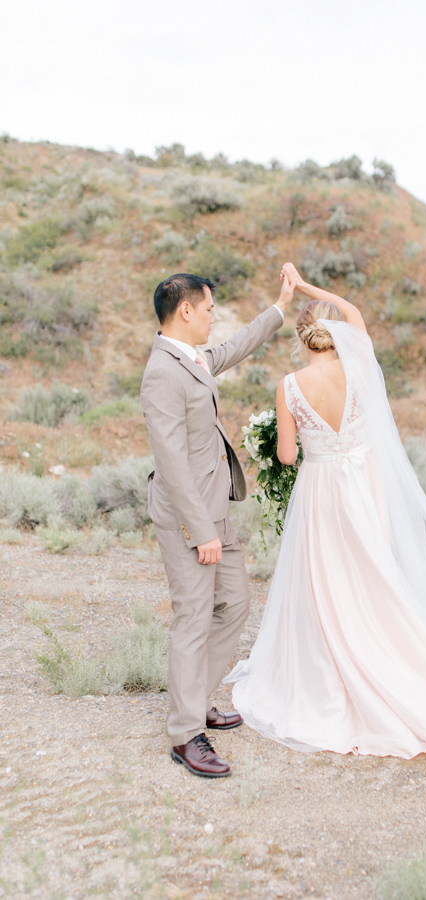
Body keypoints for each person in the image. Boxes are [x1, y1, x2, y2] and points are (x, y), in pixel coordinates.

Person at [225, 263, 426, 759]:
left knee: (325, 580)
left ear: (304, 339)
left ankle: (331, 670)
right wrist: (306, 286)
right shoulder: (360, 364)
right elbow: (352, 311)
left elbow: (287, 457)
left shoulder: (289, 386)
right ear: (340, 334)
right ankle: (392, 659)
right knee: (372, 574)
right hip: (363, 487)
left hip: (321, 489)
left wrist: (286, 442)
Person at [141, 272, 295, 777]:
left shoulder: (193, 357)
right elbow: (171, 461)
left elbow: (236, 345)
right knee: (193, 615)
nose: (213, 318)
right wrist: (201, 530)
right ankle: (186, 734)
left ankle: (195, 696)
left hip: (215, 507)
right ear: (185, 311)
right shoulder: (162, 371)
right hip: (191, 515)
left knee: (236, 602)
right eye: (208, 309)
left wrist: (279, 307)